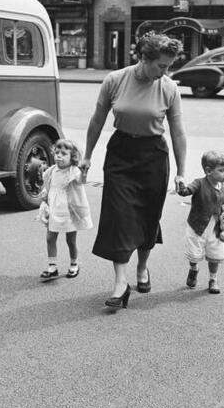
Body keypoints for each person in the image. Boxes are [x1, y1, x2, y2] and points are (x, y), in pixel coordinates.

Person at [79, 32, 187, 309]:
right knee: (119, 216)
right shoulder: (115, 80)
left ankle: (142, 267)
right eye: (161, 65)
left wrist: (181, 171)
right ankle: (120, 283)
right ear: (144, 58)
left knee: (148, 215)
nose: (165, 72)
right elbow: (97, 120)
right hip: (121, 154)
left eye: (169, 66)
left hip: (153, 156)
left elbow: (177, 132)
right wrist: (87, 155)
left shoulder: (168, 88)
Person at [177, 150, 224, 294]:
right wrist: (181, 185)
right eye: (222, 170)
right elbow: (186, 191)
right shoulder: (199, 183)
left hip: (216, 229)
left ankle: (213, 279)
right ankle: (194, 268)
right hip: (197, 226)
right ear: (208, 171)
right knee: (194, 254)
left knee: (215, 256)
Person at [38, 139, 93, 280]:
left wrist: (84, 172)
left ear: (72, 157)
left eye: (63, 154)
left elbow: (81, 181)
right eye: (57, 152)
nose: (59, 156)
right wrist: (45, 195)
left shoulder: (73, 171)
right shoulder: (51, 171)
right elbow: (48, 185)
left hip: (69, 211)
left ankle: (74, 264)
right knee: (50, 238)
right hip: (54, 210)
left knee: (71, 240)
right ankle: (52, 267)